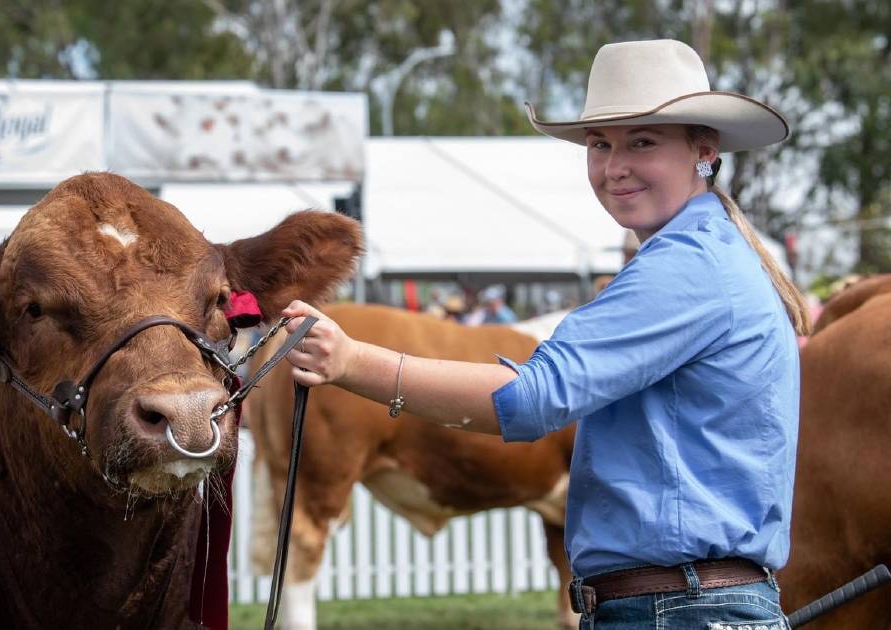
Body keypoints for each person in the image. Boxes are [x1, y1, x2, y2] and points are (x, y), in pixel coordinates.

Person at [282, 39, 809, 629]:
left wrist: (352, 362)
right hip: (686, 602)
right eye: (600, 144)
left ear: (703, 151)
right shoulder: (709, 254)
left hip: (676, 608)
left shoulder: (686, 266)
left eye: (643, 142)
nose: (615, 167)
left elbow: (533, 399)